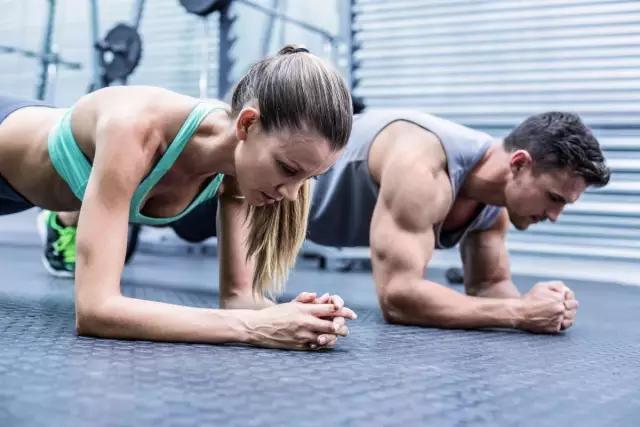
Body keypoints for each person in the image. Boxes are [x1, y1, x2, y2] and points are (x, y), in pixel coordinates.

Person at [0, 45, 357, 350]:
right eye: (288, 169)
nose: (292, 195)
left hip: (30, 189)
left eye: (311, 178)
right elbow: (96, 310)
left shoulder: (241, 173)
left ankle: (66, 216)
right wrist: (255, 328)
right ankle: (65, 220)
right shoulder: (134, 129)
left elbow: (238, 299)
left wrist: (301, 317)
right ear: (247, 124)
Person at [165, 109, 610, 334]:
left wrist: (542, 306)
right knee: (170, 207)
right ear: (518, 163)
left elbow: (490, 288)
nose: (553, 216)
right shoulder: (424, 164)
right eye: (554, 198)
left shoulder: (495, 203)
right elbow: (399, 298)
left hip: (292, 219)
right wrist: (518, 312)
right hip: (256, 192)